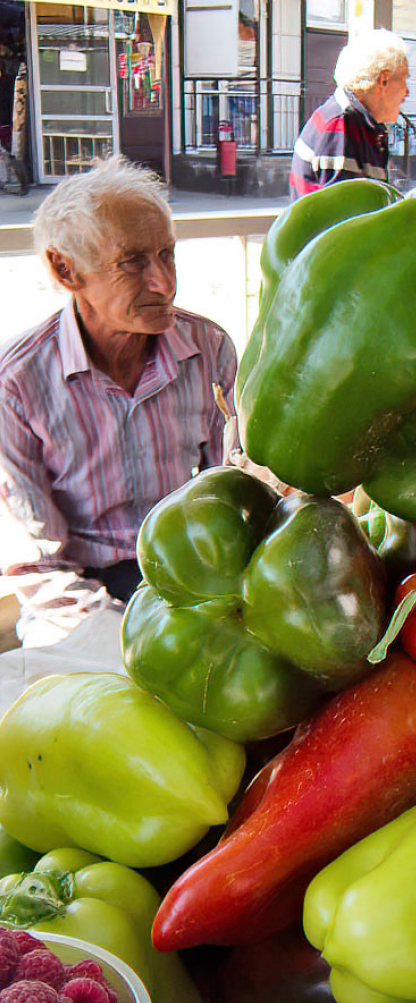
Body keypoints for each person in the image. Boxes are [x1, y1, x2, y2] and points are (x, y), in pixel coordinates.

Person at [0, 156, 237, 645]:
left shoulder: (208, 349)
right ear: (65, 270)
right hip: (80, 591)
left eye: (167, 255)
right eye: (132, 262)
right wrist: (122, 633)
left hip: (190, 578)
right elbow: (37, 564)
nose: (163, 283)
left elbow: (234, 492)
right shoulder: (18, 383)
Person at [289, 29, 409, 199]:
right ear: (384, 80)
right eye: (404, 80)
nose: (407, 92)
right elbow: (345, 220)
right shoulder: (342, 125)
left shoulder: (356, 122)